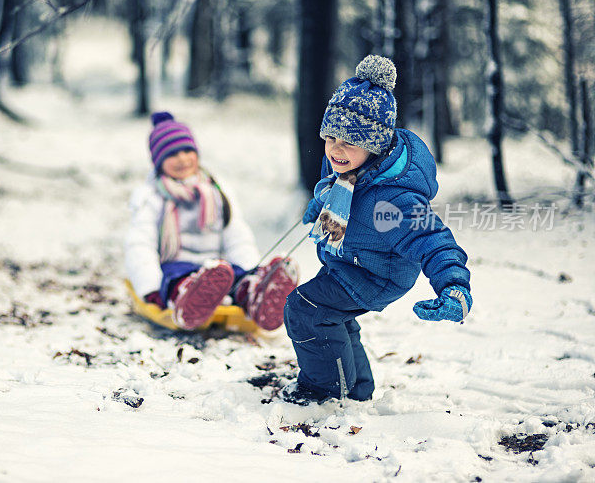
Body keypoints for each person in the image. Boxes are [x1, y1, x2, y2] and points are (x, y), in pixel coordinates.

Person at [282, 55, 472, 404]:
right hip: (350, 259)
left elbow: (432, 240)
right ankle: (356, 389)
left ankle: (324, 391)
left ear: (374, 144)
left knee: (306, 309)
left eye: (349, 141)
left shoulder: (391, 202)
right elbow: (333, 188)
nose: (336, 149)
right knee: (331, 316)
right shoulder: (349, 163)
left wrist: (454, 286)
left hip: (376, 272)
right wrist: (317, 208)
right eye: (331, 137)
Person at [125, 112, 299, 331]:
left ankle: (255, 294)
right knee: (176, 279)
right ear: (158, 162)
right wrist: (150, 287)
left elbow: (235, 234)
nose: (182, 159)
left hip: (218, 272)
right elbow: (140, 245)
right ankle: (188, 297)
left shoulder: (216, 191)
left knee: (235, 277)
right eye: (172, 154)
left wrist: (249, 268)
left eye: (187, 150)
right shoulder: (151, 197)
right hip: (176, 267)